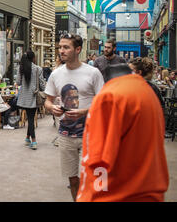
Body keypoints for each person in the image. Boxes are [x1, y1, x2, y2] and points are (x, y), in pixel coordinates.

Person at [77, 64, 169, 202]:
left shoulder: (109, 97)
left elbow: (98, 161)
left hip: (116, 195)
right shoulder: (146, 92)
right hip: (149, 192)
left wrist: (86, 197)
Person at [44, 33, 104, 201]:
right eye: (60, 47)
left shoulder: (93, 73)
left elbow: (104, 103)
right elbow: (47, 101)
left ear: (78, 49)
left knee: (93, 176)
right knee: (72, 177)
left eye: (66, 47)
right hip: (66, 134)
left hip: (91, 134)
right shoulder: (56, 74)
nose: (61, 51)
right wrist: (52, 108)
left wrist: (84, 112)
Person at [16, 51, 46, 150]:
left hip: (24, 97)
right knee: (31, 119)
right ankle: (34, 141)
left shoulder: (21, 69)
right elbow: (42, 84)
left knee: (30, 117)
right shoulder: (38, 69)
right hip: (34, 97)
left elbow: (18, 82)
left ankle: (27, 138)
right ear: (33, 58)